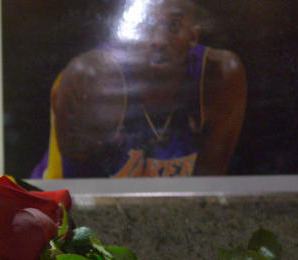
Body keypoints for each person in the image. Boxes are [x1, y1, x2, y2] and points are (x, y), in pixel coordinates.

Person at [31, 0, 246, 179]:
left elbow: (208, 196)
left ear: (193, 36)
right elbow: (74, 200)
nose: (159, 41)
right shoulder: (90, 80)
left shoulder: (219, 75)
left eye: (173, 25)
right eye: (147, 24)